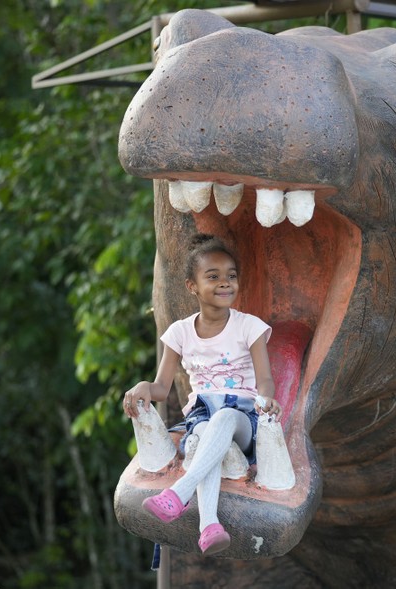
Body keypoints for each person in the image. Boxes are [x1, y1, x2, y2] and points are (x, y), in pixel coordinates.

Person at [122, 233, 282, 556]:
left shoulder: (249, 327)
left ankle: (178, 493)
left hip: (243, 419)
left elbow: (264, 379)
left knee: (222, 418)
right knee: (208, 430)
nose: (225, 283)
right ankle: (209, 525)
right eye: (213, 277)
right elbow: (162, 389)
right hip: (201, 418)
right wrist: (143, 388)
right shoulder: (180, 332)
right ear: (191, 286)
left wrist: (267, 400)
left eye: (231, 276)